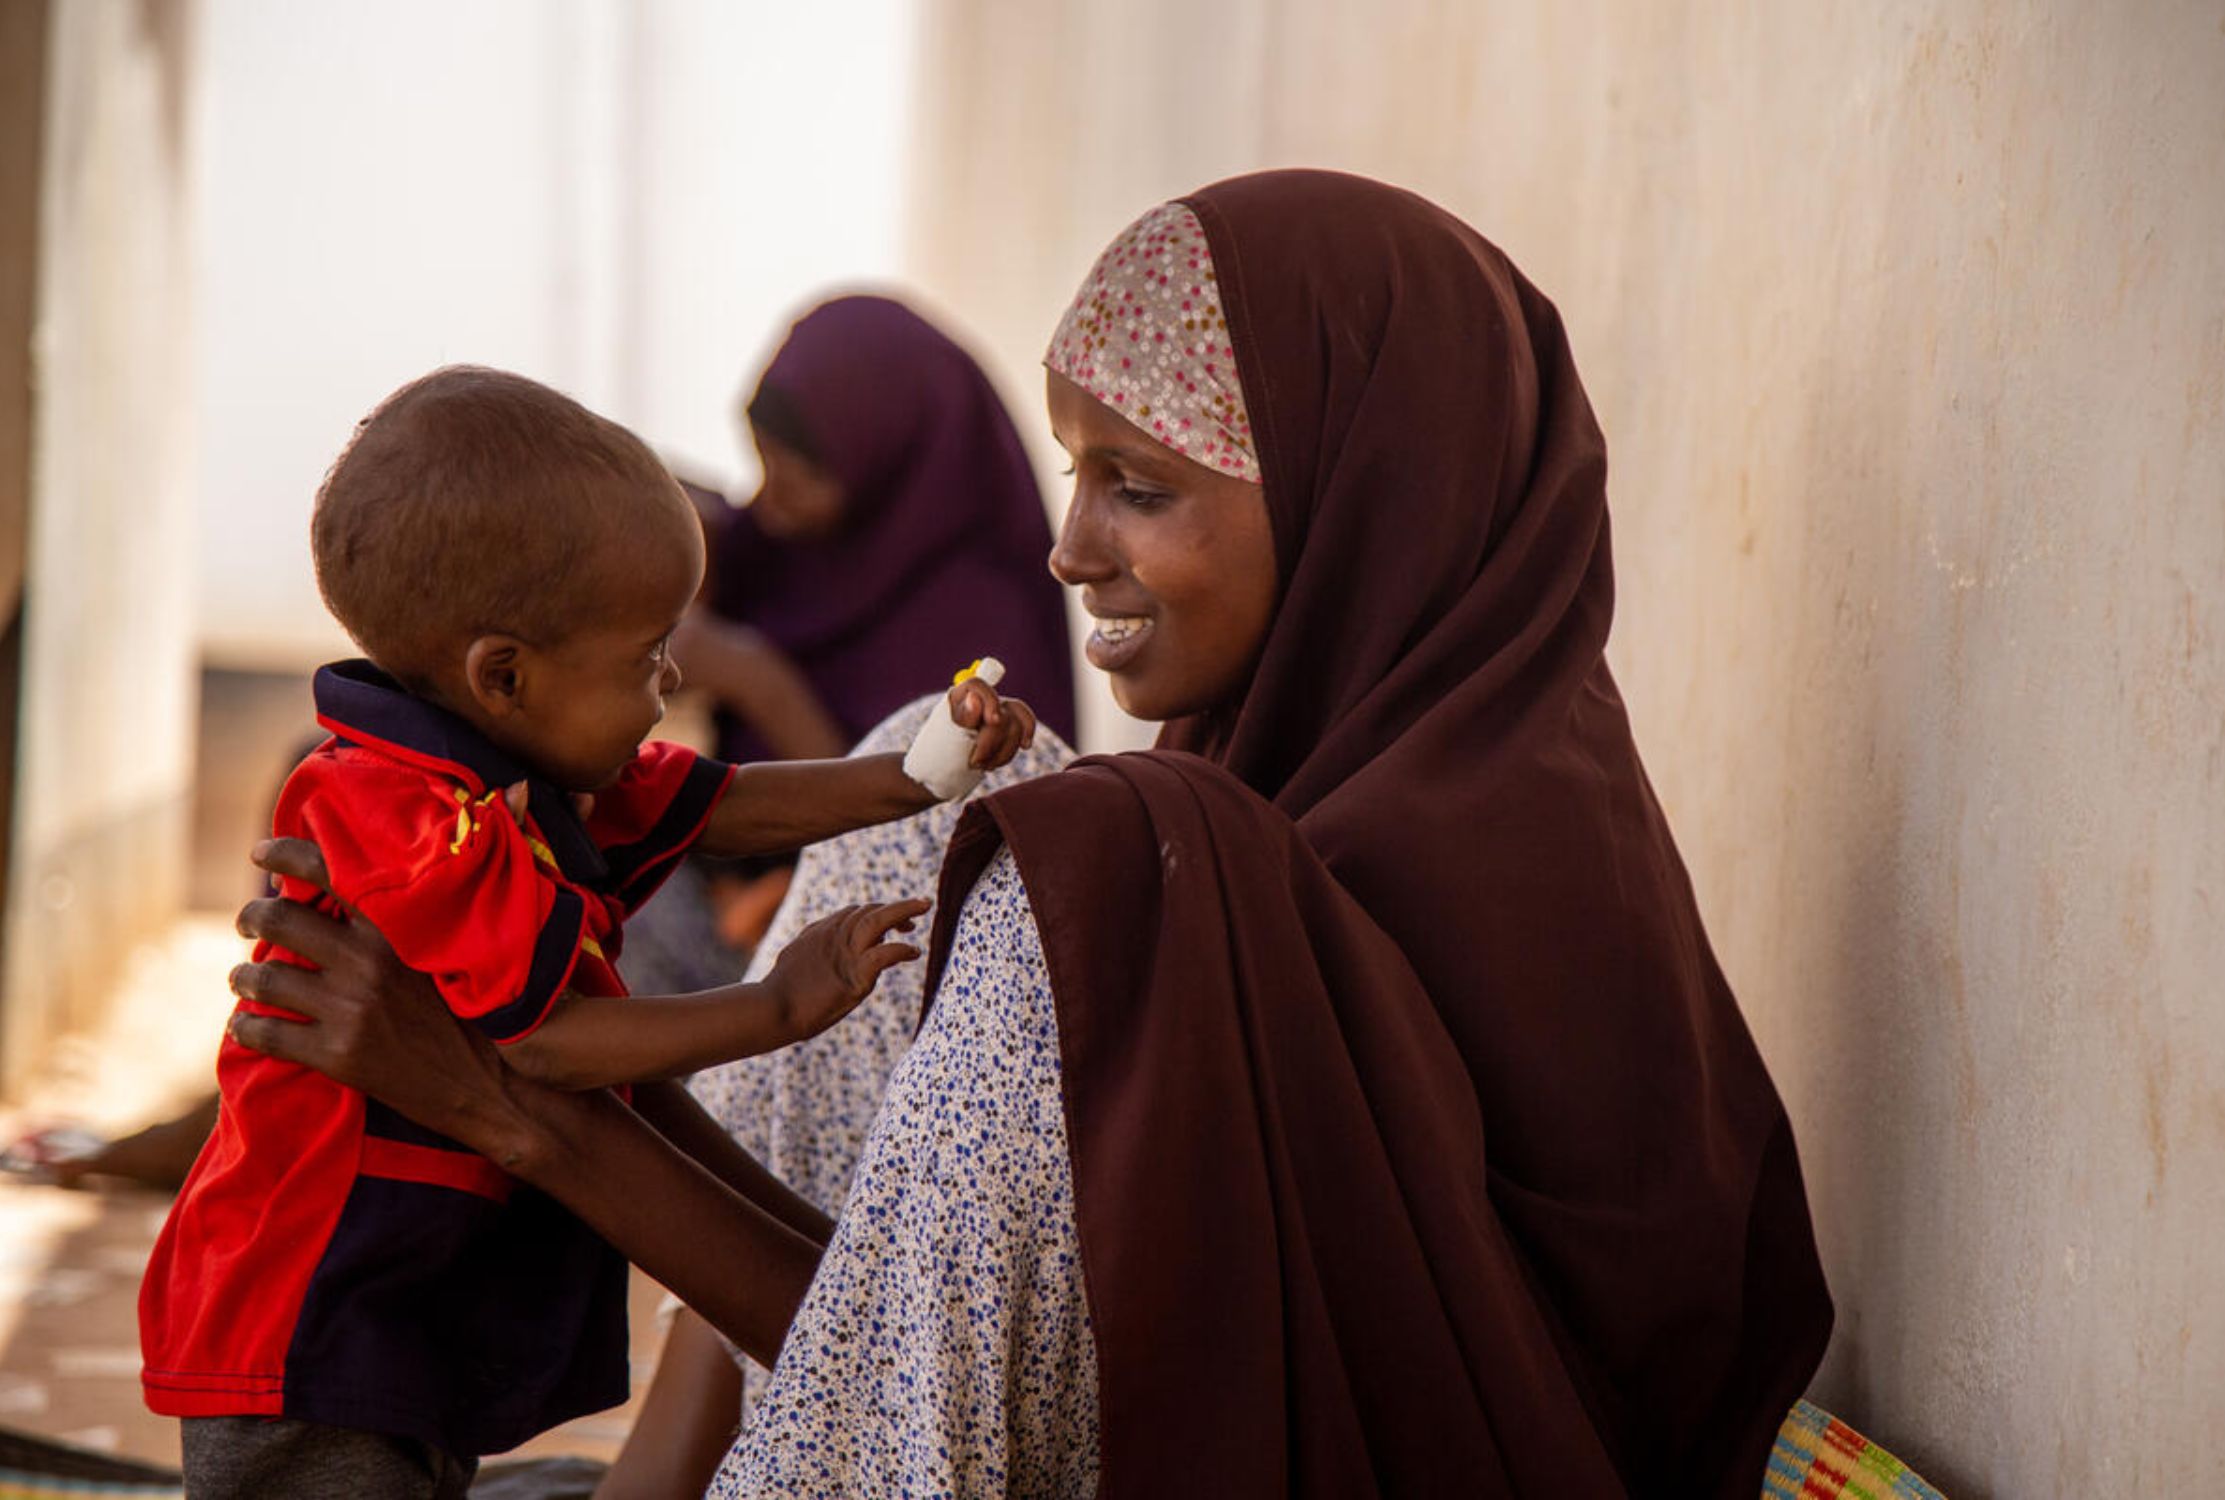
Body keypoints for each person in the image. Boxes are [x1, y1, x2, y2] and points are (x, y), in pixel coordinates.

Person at [225, 171, 1833, 1497]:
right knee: (928, 787)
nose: (1070, 550)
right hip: (1020, 1406)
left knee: (1095, 857)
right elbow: (898, 1329)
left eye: (1139, 487)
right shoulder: (1272, 799)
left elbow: (1086, 1392)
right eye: (1076, 475)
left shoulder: (1471, 861)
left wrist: (511, 1108)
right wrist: (548, 1079)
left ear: (1365, 498)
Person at [141, 367, 1038, 1499]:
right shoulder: (411, 813)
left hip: (399, 1291)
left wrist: (919, 776)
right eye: (645, 657)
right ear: (503, 675)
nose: (671, 679)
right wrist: (773, 1007)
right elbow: (545, 1042)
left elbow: (721, 804)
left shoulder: (509, 763)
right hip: (310, 1318)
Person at [685, 294, 1077, 762]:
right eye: (762, 462)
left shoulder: (988, 624)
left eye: (792, 483)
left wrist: (754, 680)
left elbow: (917, 802)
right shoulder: (791, 548)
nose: (766, 506)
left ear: (886, 464)